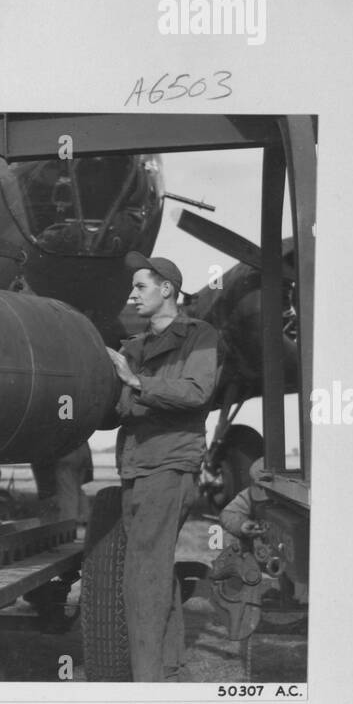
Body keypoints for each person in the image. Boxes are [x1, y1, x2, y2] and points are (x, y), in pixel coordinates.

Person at [106, 252, 220, 681]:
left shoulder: (200, 335)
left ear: (168, 289)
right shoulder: (132, 347)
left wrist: (136, 381)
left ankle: (145, 680)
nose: (132, 295)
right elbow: (116, 407)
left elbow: (196, 392)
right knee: (154, 565)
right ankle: (169, 664)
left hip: (171, 463)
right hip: (136, 465)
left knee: (142, 572)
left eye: (141, 287)